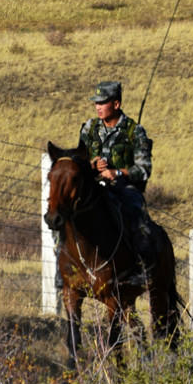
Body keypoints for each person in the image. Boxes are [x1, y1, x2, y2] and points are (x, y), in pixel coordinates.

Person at [77, 80, 155, 272]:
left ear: (116, 104)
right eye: (96, 103)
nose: (98, 107)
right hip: (94, 187)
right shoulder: (89, 128)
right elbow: (78, 162)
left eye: (102, 103)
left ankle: (142, 268)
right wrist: (92, 165)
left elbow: (144, 168)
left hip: (123, 189)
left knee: (138, 221)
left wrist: (117, 172)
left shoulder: (134, 131)